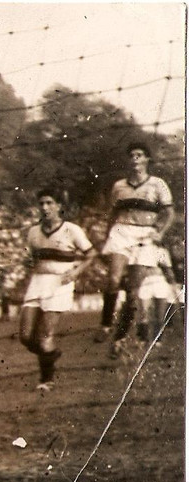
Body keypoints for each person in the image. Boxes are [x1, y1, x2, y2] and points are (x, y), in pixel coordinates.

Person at [96, 143, 174, 351]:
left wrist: (160, 231)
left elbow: (168, 213)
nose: (135, 159)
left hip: (145, 233)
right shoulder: (119, 186)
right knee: (113, 278)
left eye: (139, 155)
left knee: (134, 293)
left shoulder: (157, 184)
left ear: (147, 159)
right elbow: (112, 214)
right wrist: (107, 238)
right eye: (131, 155)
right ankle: (105, 324)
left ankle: (119, 337)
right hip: (122, 231)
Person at [18, 189, 97, 391]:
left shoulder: (72, 230)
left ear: (59, 206)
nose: (45, 208)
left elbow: (91, 254)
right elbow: (29, 257)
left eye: (49, 203)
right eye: (42, 203)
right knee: (26, 337)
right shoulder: (33, 232)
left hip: (60, 283)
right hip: (37, 282)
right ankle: (51, 354)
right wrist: (27, 262)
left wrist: (76, 272)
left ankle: (47, 380)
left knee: (45, 335)